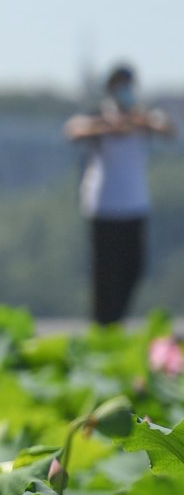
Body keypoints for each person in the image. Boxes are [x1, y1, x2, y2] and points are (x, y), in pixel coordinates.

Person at [64, 64, 175, 325]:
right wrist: (108, 127)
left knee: (133, 269)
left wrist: (140, 122)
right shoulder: (99, 118)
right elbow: (73, 130)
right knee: (105, 273)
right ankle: (103, 324)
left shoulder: (143, 119)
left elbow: (169, 130)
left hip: (135, 205)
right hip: (104, 207)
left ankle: (117, 320)